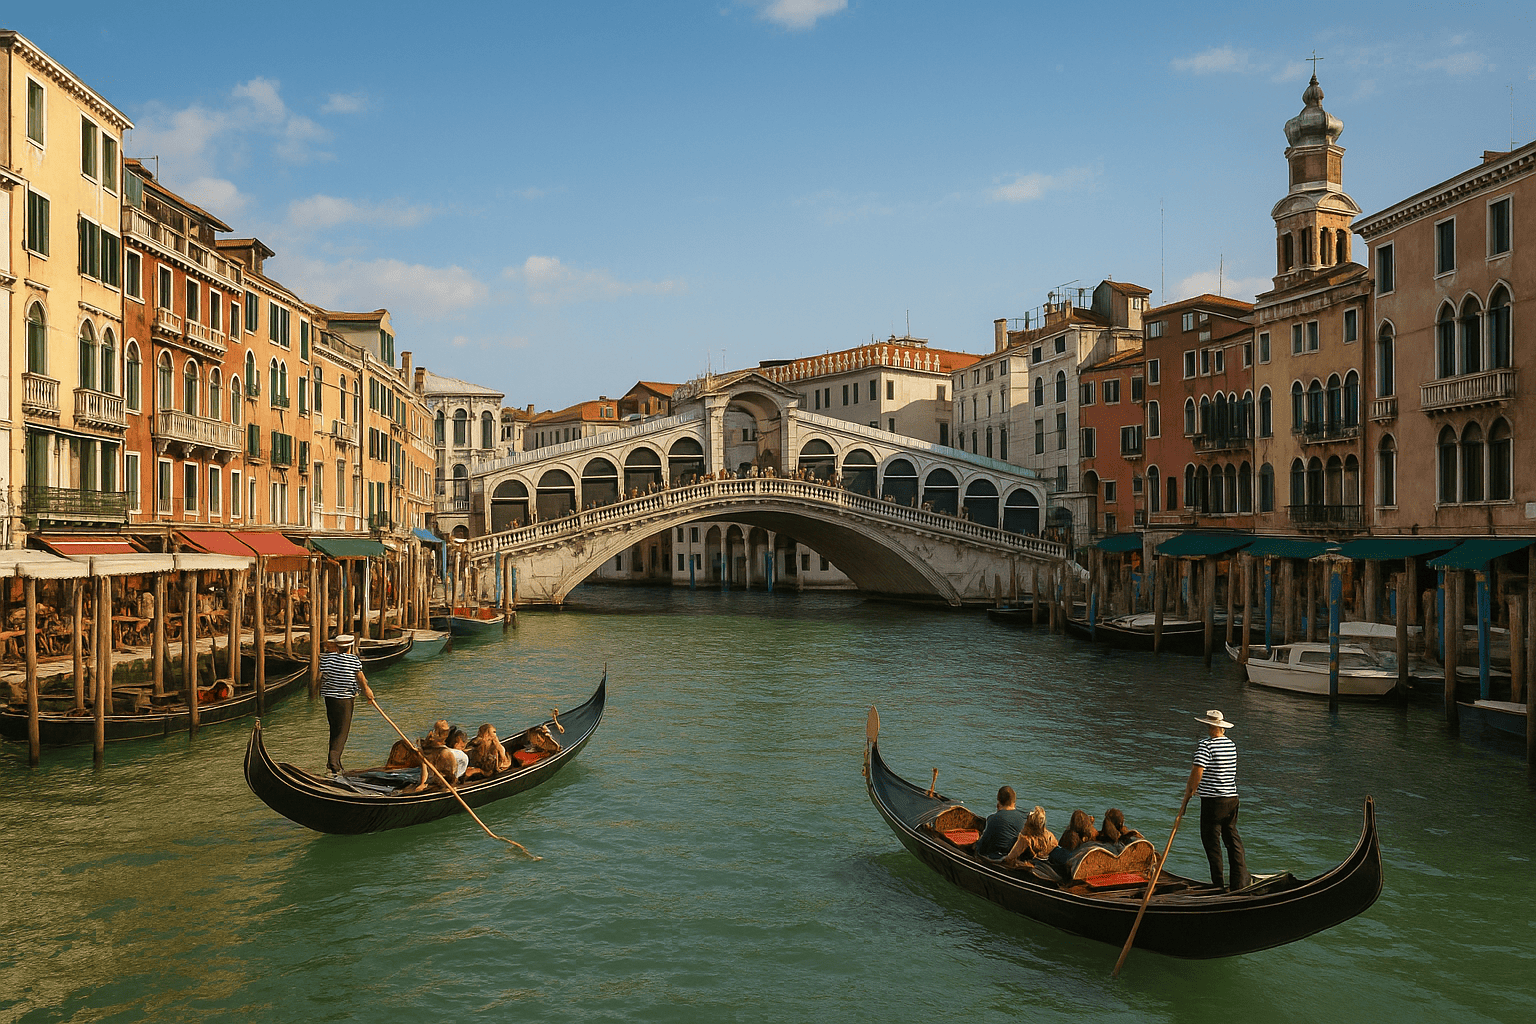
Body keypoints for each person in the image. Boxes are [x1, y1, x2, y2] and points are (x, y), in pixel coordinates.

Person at [1182, 709, 1250, 891]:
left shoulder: (1206, 745)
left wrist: (1189, 792)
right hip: (1232, 799)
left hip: (1213, 802)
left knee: (1212, 843)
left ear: (1211, 726)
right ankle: (1240, 882)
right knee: (1232, 840)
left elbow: (1197, 771)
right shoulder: (1231, 745)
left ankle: (1218, 885)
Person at [319, 634, 374, 777]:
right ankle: (334, 763)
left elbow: (320, 676)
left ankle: (333, 764)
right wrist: (368, 692)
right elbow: (360, 678)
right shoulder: (353, 660)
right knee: (342, 731)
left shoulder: (326, 658)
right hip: (345, 699)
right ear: (349, 647)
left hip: (329, 698)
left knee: (334, 728)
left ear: (337, 647)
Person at [974, 786, 1029, 859]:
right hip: (1020, 857)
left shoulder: (992, 818)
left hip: (1000, 858)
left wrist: (975, 845)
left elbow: (982, 847)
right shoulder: (1025, 816)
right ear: (1014, 801)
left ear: (998, 800)